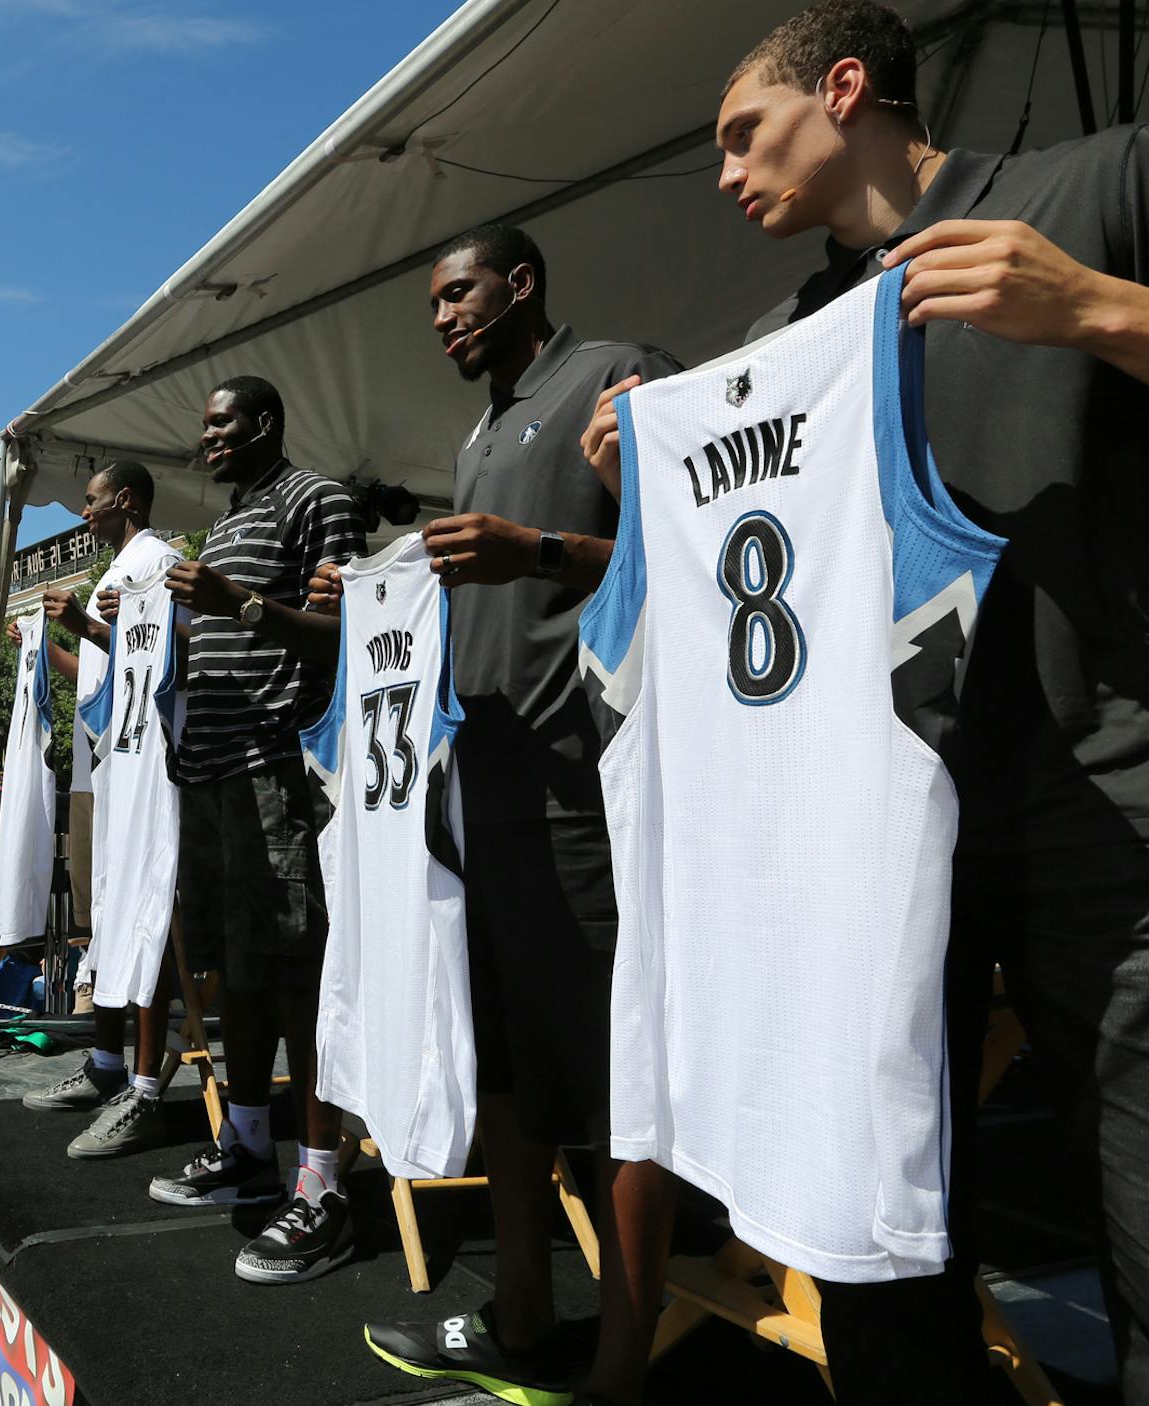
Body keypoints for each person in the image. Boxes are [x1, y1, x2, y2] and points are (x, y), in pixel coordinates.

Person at [559, 5, 1149, 1401]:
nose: (722, 175)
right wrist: (652, 471)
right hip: (861, 836)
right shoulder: (781, 340)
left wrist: (1104, 309)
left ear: (844, 90)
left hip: (1103, 801)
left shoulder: (1097, 185)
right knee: (869, 1246)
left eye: (741, 135)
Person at [332, 223, 682, 1400]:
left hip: (583, 788)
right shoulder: (480, 431)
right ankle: (521, 1315)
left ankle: (626, 1360)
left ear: (522, 282)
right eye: (432, 303)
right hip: (482, 799)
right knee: (509, 1076)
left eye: (460, 293)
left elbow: (687, 544)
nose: (442, 317)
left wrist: (531, 546)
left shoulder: (616, 370)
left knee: (610, 1083)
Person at [146, 375, 364, 1283]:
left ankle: (321, 1181)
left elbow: (345, 628)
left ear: (266, 422)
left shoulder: (319, 500)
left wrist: (235, 602)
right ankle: (245, 1147)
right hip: (213, 771)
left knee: (294, 968)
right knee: (234, 968)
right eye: (204, 428)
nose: (210, 440)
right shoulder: (229, 523)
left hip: (279, 765)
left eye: (223, 423)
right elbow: (223, 640)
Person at [15, 461, 187, 1162]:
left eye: (90, 502)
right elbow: (103, 674)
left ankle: (144, 1087)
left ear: (125, 500)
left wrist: (84, 622)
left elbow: (163, 661)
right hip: (109, 769)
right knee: (109, 922)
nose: (82, 514)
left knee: (142, 920)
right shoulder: (118, 569)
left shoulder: (161, 563)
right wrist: (42, 645)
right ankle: (109, 1065)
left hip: (149, 772)